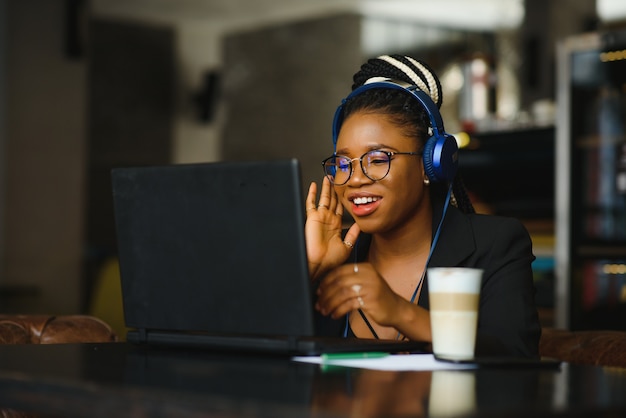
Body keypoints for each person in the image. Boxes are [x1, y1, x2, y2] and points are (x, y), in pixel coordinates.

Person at [305, 54, 541, 358]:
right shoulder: (334, 257)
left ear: (431, 164)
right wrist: (311, 272)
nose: (355, 179)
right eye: (342, 163)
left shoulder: (496, 244)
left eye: (378, 159)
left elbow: (517, 356)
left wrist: (401, 313)